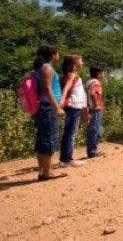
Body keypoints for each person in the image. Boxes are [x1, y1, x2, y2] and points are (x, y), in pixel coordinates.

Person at [34, 44, 67, 181]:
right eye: (57, 52)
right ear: (52, 55)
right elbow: (48, 89)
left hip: (43, 107)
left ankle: (43, 171)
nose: (58, 55)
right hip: (48, 107)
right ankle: (48, 171)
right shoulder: (47, 68)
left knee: (43, 139)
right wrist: (57, 107)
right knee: (49, 139)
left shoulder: (40, 68)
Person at [59, 54, 87, 167]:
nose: (82, 63)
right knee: (71, 133)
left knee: (68, 133)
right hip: (73, 106)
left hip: (71, 106)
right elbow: (67, 87)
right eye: (81, 60)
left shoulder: (65, 75)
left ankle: (64, 159)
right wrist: (62, 100)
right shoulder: (72, 74)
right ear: (75, 64)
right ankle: (68, 159)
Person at [85, 65, 105, 158]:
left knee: (92, 130)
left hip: (88, 108)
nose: (103, 74)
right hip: (94, 109)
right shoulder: (96, 82)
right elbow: (93, 93)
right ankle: (93, 151)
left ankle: (92, 150)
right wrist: (96, 104)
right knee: (96, 130)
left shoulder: (88, 82)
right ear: (99, 74)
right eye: (102, 72)